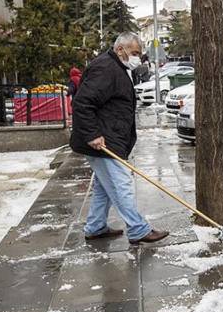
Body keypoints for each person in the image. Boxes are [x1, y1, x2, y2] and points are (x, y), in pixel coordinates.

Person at [70, 32, 169, 244]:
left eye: (139, 54)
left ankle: (95, 227)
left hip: (108, 137)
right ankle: (138, 229)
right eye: (134, 53)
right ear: (120, 49)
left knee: (103, 187)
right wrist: (93, 135)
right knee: (121, 183)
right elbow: (82, 103)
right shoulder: (106, 68)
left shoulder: (116, 67)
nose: (137, 58)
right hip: (102, 140)